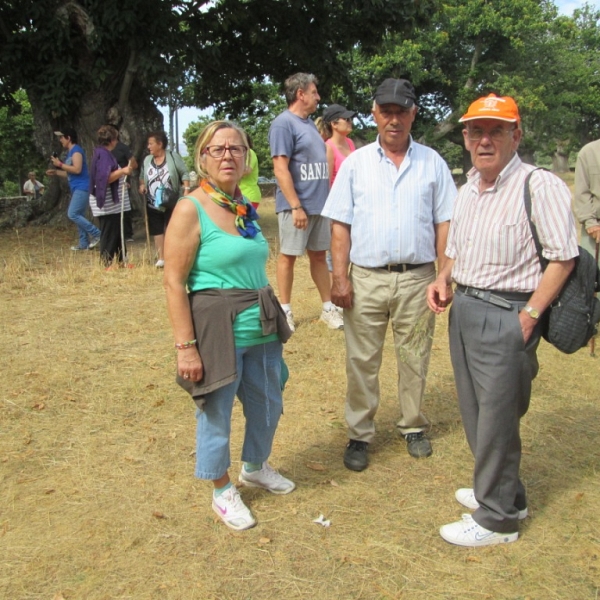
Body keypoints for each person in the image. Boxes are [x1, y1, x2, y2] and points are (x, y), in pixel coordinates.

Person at [427, 93, 578, 547]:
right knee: (476, 411)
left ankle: (497, 520)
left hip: (508, 312)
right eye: (476, 130)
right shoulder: (468, 186)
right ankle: (508, 494)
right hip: (466, 308)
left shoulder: (539, 185)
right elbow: (460, 248)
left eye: (497, 130)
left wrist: (530, 315)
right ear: (466, 138)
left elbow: (563, 258)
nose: (485, 139)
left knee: (496, 416)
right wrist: (444, 277)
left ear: (517, 135)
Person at [163, 120, 295, 532]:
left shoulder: (245, 207)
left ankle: (254, 466)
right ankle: (221, 489)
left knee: (269, 404)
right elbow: (174, 281)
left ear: (246, 158)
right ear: (203, 158)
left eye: (235, 149)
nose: (227, 156)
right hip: (219, 326)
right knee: (217, 412)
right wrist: (186, 346)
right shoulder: (192, 207)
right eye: (217, 150)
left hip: (261, 325)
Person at [322, 78, 456, 471]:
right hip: (365, 278)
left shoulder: (433, 162)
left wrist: (443, 274)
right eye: (386, 111)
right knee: (361, 359)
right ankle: (360, 434)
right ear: (374, 113)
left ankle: (413, 425)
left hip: (418, 278)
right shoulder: (356, 164)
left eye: (402, 111)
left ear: (414, 113)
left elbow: (444, 222)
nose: (394, 119)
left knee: (414, 355)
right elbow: (340, 226)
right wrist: (339, 278)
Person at [269, 73, 343, 332]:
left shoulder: (310, 124)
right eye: (314, 92)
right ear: (300, 94)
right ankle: (285, 311)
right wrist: (295, 205)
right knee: (288, 257)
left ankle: (328, 308)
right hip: (297, 206)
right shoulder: (283, 124)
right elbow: (280, 168)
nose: (318, 97)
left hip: (319, 205)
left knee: (319, 257)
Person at [139, 131, 189, 268]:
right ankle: (162, 258)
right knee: (157, 230)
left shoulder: (173, 157)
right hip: (153, 201)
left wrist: (186, 190)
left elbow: (184, 173)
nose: (148, 146)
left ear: (160, 144)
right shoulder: (147, 159)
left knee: (172, 228)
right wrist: (142, 185)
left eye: (151, 143)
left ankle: (174, 256)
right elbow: (142, 176)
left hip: (171, 200)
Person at [48, 128, 101, 251]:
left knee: (72, 214)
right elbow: (71, 174)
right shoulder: (71, 152)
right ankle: (84, 243)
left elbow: (77, 169)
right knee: (79, 214)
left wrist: (59, 164)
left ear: (69, 138)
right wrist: (56, 172)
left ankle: (97, 234)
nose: (60, 140)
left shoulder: (76, 151)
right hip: (77, 187)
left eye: (62, 137)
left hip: (82, 187)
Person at [89, 125, 134, 268]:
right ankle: (106, 263)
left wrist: (121, 183)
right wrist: (123, 171)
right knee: (109, 232)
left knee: (117, 232)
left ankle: (122, 260)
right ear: (113, 140)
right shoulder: (104, 155)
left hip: (111, 203)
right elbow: (104, 178)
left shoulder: (102, 154)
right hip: (107, 204)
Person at [574, 138, 600, 265]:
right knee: (593, 276)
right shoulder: (589, 152)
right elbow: (581, 192)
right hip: (596, 228)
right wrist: (591, 223)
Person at [111, 135, 138, 241]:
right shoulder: (103, 150)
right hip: (110, 180)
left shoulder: (123, 148)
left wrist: (126, 171)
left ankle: (127, 233)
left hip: (123, 180)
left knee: (124, 207)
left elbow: (133, 163)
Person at [322, 104, 357, 185]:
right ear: (334, 124)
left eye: (350, 119)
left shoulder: (350, 142)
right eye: (346, 119)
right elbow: (327, 184)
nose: (350, 121)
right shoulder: (328, 148)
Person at [239, 135, 261, 210]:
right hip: (239, 195)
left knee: (244, 221)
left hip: (249, 195)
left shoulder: (249, 152)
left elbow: (246, 170)